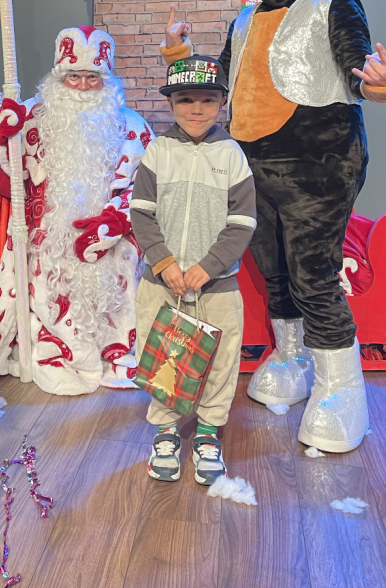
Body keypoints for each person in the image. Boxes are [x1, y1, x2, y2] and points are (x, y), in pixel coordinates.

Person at [167, 0, 386, 453]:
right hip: (254, 171)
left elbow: (359, 64)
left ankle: (342, 387)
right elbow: (219, 82)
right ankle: (293, 356)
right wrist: (180, 58)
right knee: (272, 267)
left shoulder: (334, 0)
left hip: (318, 165)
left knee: (312, 273)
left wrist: (384, 78)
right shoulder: (244, 16)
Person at [0, 26, 155, 395]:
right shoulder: (29, 119)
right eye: (74, 76)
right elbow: (4, 189)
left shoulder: (133, 128)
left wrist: (114, 222)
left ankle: (111, 352)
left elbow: (147, 190)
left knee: (122, 261)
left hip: (110, 234)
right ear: (58, 77)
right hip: (47, 231)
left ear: (107, 79)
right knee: (45, 264)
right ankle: (55, 352)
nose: (83, 86)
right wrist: (2, 141)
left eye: (92, 77)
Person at [131, 57, 256, 485]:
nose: (196, 109)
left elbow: (243, 221)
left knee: (221, 360)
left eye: (207, 100)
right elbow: (141, 212)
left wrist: (209, 266)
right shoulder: (158, 151)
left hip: (217, 287)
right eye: (186, 100)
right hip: (161, 284)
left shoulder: (232, 155)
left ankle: (207, 433)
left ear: (222, 103)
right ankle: (166, 432)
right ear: (171, 104)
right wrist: (163, 261)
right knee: (161, 356)